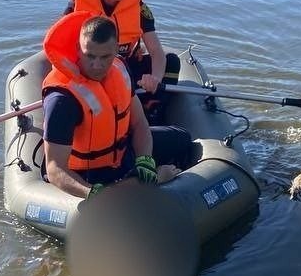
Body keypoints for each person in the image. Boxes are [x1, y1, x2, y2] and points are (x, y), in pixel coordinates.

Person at [41, 13, 193, 199]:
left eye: (105, 57)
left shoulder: (120, 69)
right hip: (86, 174)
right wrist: (153, 180)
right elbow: (55, 168)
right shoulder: (62, 99)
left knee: (182, 139)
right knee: (137, 184)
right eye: (90, 56)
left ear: (116, 50)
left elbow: (139, 123)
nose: (96, 65)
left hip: (120, 153)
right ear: (78, 49)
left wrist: (145, 160)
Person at [64, 0, 181, 114]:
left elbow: (156, 51)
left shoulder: (138, 7)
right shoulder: (78, 4)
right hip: (94, 69)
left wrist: (155, 79)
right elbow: (62, 48)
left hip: (126, 67)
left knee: (172, 62)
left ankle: (151, 109)